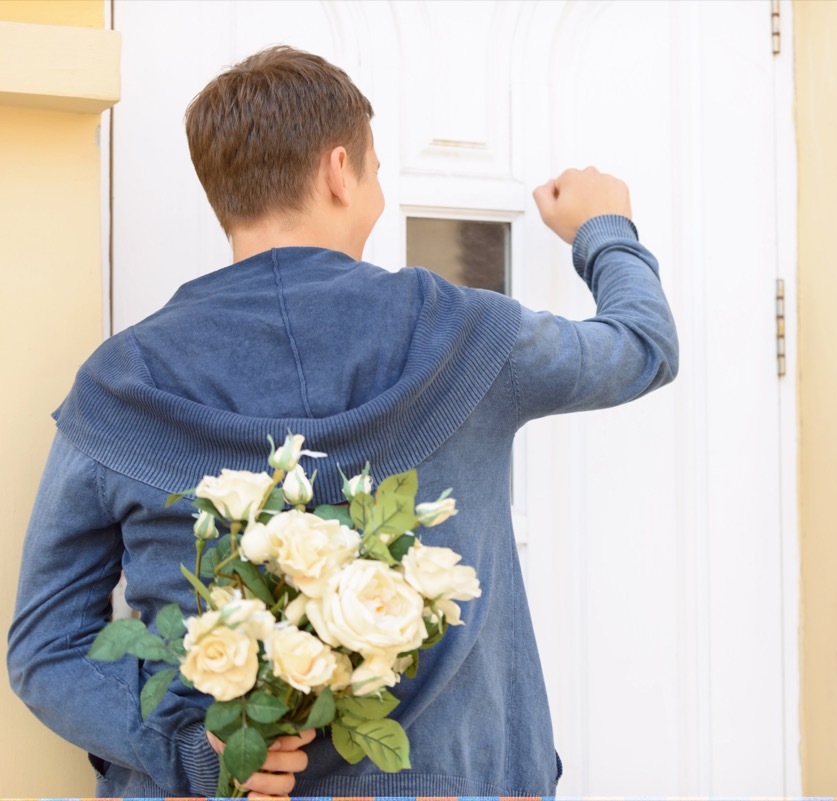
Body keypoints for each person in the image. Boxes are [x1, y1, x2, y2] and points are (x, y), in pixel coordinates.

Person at [7, 45, 677, 797]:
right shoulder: (466, 336)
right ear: (338, 170)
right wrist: (605, 225)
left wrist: (200, 751)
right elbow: (641, 347)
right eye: (378, 170)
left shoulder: (118, 385)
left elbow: (45, 646)